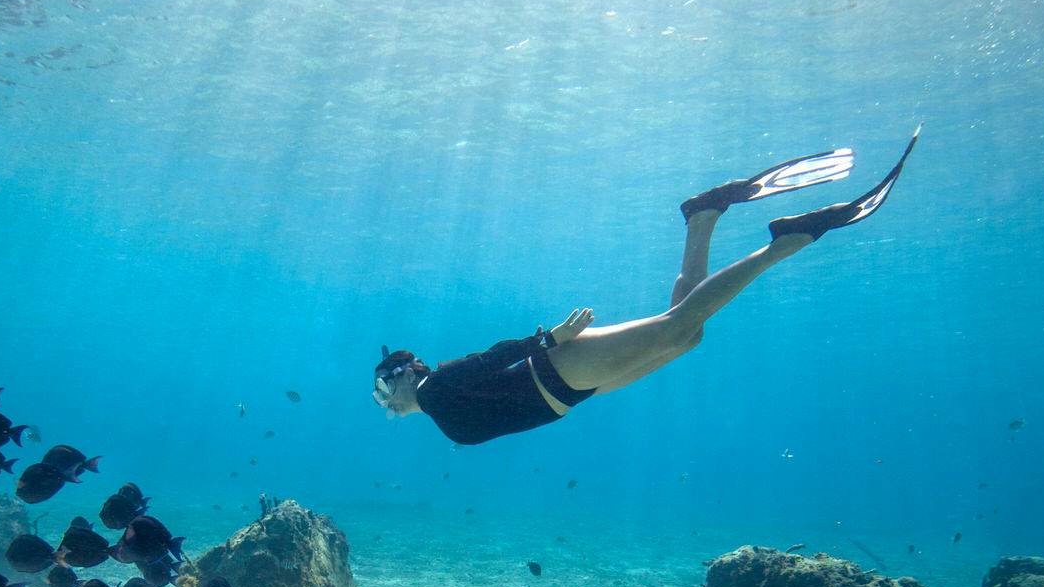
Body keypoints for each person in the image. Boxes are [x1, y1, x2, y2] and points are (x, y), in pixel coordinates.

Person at [373, 128, 920, 446]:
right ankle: (702, 218)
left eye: (382, 389)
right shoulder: (436, 402)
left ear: (405, 374)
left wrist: (551, 340)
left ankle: (788, 240)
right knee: (687, 336)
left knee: (678, 327)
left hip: (558, 371)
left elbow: (487, 362)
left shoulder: (435, 389)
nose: (384, 403)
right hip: (570, 391)